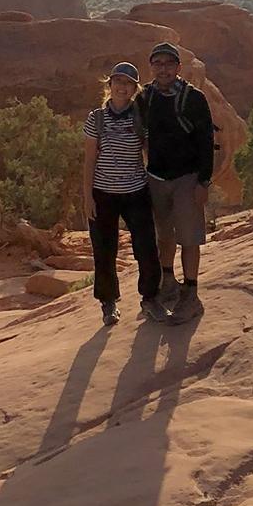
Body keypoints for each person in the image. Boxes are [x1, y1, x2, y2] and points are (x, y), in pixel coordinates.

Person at [136, 42, 217, 324]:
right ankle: (168, 282)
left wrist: (203, 182)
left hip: (187, 178)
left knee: (189, 237)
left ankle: (191, 293)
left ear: (178, 67)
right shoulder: (144, 97)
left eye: (168, 63)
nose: (163, 69)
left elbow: (206, 141)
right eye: (157, 63)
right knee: (164, 236)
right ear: (151, 67)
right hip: (156, 177)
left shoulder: (193, 98)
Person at [81, 62, 163, 328]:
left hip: (135, 191)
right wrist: (87, 197)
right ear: (110, 85)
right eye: (118, 82)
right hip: (102, 193)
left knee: (147, 247)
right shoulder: (97, 118)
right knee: (104, 251)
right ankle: (109, 303)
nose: (122, 87)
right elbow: (89, 160)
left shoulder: (141, 116)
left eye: (128, 83)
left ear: (134, 88)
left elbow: (150, 153)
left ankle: (150, 298)